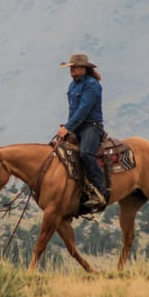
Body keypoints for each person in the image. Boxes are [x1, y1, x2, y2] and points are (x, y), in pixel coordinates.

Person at [56, 53, 107, 209]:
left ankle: (100, 191)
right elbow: (74, 110)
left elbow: (84, 110)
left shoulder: (92, 85)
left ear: (84, 68)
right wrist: (67, 126)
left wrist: (67, 127)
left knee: (85, 153)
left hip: (91, 126)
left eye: (76, 67)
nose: (72, 70)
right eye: (71, 68)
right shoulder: (73, 85)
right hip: (77, 126)